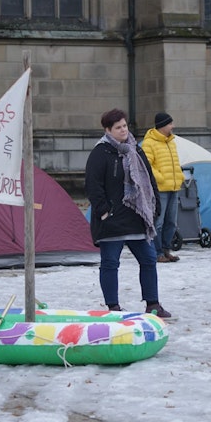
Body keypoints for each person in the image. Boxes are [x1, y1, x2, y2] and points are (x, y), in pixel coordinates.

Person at [85, 108, 171, 318]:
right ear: (108, 130)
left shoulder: (136, 150)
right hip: (112, 220)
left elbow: (149, 180)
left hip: (136, 217)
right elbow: (93, 186)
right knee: (110, 263)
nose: (123, 130)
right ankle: (113, 307)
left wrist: (155, 206)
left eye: (124, 126)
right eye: (118, 127)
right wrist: (104, 212)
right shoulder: (100, 153)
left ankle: (153, 304)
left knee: (148, 259)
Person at [141, 111, 184, 263]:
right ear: (162, 126)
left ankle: (166, 250)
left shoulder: (171, 142)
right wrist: (160, 178)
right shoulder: (149, 143)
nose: (173, 126)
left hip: (174, 187)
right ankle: (157, 252)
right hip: (160, 189)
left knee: (171, 221)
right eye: (170, 123)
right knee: (158, 222)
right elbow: (146, 165)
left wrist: (179, 176)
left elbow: (175, 163)